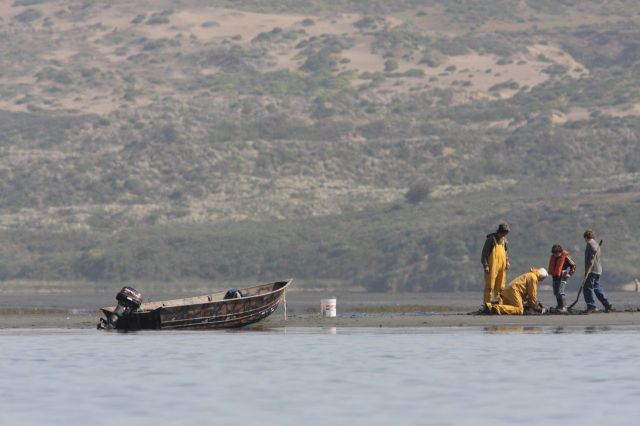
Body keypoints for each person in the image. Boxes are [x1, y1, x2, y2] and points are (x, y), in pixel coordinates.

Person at [582, 229, 613, 313]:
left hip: (592, 270)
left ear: (586, 237)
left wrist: (588, 269)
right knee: (596, 287)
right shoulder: (596, 243)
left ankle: (591, 305)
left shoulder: (589, 244)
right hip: (598, 270)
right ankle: (607, 303)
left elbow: (592, 257)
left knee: (587, 287)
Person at [481, 223, 510, 305]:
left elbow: (505, 252)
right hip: (492, 266)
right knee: (490, 286)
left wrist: (507, 261)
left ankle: (499, 304)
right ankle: (487, 304)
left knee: (501, 286)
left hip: (502, 266)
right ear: (501, 231)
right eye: (505, 232)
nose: (506, 234)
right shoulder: (490, 239)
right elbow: (484, 254)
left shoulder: (505, 241)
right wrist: (485, 265)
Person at [548, 244, 576, 313]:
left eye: (557, 254)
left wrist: (570, 274)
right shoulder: (553, 257)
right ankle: (559, 306)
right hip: (555, 277)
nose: (556, 255)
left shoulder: (566, 257)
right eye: (554, 254)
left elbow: (573, 265)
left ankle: (564, 307)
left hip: (563, 277)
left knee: (560, 292)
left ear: (560, 252)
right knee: (556, 292)